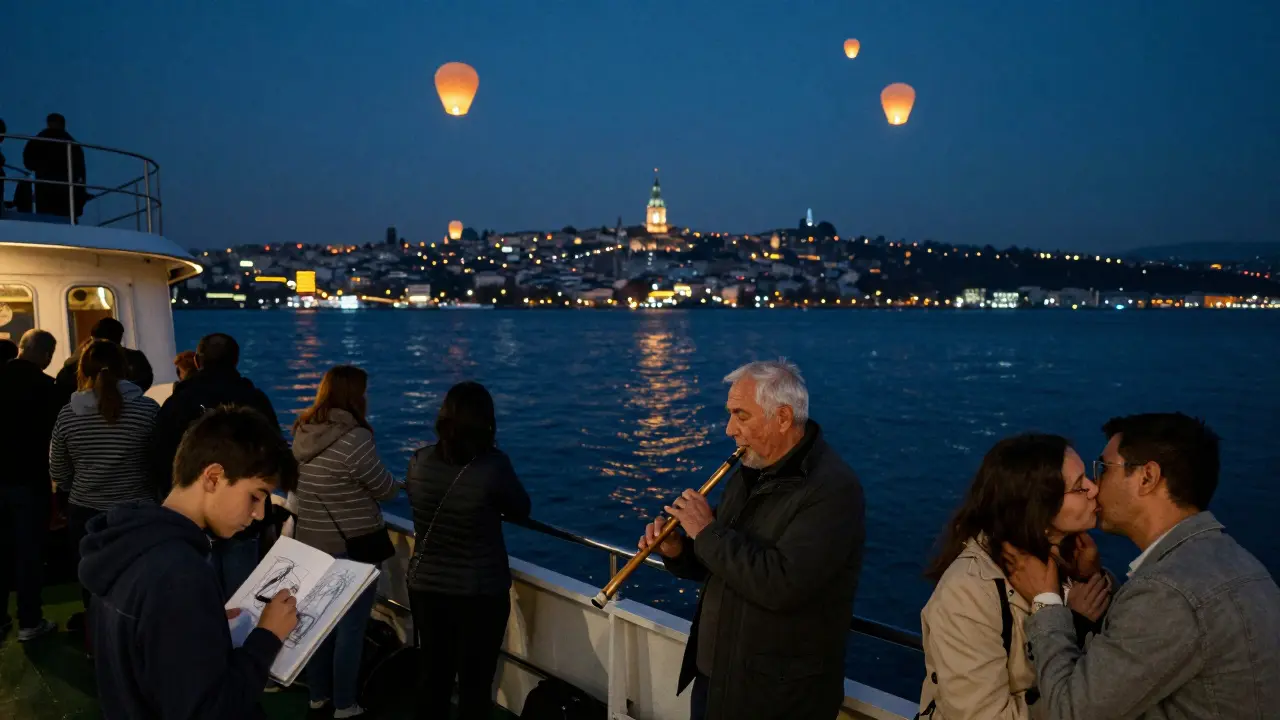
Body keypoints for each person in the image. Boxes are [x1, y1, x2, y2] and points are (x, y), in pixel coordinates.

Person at [1005, 413, 1280, 719]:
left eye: (1103, 470)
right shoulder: (1243, 566)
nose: (1093, 488)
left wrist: (1046, 604)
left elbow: (1071, 712)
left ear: (1147, 477)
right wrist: (1095, 580)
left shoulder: (1168, 592)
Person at [638, 359, 865, 720]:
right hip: (717, 676)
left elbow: (783, 585)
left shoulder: (832, 490)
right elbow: (727, 565)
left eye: (741, 416)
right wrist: (679, 550)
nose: (730, 429)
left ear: (783, 417)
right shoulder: (750, 471)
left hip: (776, 697)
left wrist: (707, 532)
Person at [78, 405, 300, 720]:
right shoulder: (180, 576)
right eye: (256, 495)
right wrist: (268, 636)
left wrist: (202, 625)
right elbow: (209, 710)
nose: (260, 514)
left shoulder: (128, 546)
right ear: (213, 477)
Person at [916, 434, 1111, 720]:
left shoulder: (1074, 559)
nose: (1094, 488)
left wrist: (1093, 576)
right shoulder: (968, 593)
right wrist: (1073, 625)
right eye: (1079, 486)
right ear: (1039, 507)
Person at [406, 381, 531, 720]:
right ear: (486, 422)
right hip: (479, 592)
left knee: (434, 677)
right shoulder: (493, 466)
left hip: (426, 586)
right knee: (475, 684)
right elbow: (521, 508)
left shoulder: (418, 461)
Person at [292, 365, 400, 719]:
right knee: (350, 629)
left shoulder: (303, 430)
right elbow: (383, 489)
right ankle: (344, 705)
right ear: (356, 395)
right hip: (352, 545)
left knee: (319, 624)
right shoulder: (355, 438)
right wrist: (403, 483)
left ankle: (318, 697)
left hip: (311, 542)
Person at [148, 333, 280, 598]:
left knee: (196, 596)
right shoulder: (255, 400)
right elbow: (273, 454)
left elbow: (159, 456)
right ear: (236, 360)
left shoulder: (178, 403)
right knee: (239, 598)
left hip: (192, 521)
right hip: (243, 520)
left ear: (197, 361)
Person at [49, 340, 160, 624]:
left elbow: (58, 468)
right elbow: (158, 460)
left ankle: (97, 642)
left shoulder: (68, 414)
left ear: (82, 370)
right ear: (126, 369)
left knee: (93, 582)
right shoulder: (147, 410)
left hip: (85, 511)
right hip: (137, 510)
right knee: (137, 579)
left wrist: (74, 488)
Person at [0, 330, 61, 641]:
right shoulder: (47, 388)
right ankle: (29, 621)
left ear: (21, 348)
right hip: (29, 479)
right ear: (48, 355)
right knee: (29, 554)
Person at [55, 317, 153, 403]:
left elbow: (62, 383)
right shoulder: (135, 358)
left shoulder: (81, 360)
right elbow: (145, 380)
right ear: (119, 339)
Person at [21, 112, 86, 219]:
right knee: (65, 219)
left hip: (44, 186)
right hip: (65, 189)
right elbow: (80, 172)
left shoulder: (39, 140)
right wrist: (80, 197)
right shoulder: (72, 144)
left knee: (45, 218)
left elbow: (28, 161)